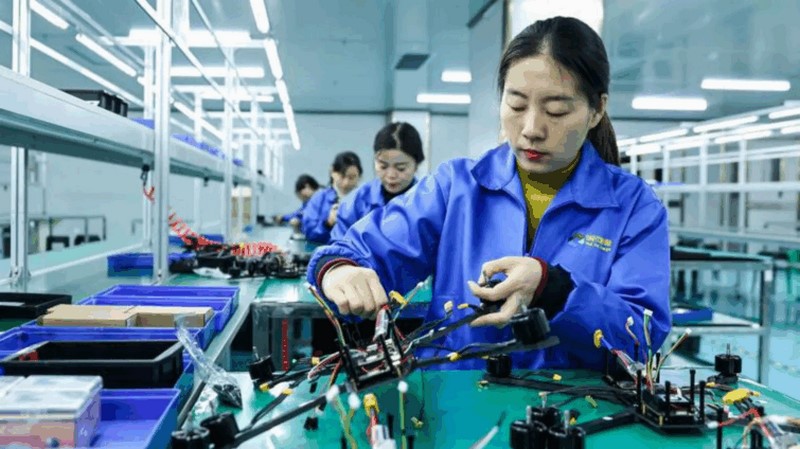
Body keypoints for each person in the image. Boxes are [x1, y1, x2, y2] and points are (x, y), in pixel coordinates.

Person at [306, 17, 671, 371]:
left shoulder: (633, 207)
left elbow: (644, 335)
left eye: (556, 111)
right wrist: (338, 271)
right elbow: (358, 251)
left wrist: (554, 289)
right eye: (516, 105)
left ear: (596, 110)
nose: (531, 129)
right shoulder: (456, 187)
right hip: (455, 400)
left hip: (574, 406)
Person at [330, 122, 425, 241]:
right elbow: (339, 245)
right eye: (383, 166)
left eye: (401, 168)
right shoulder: (356, 203)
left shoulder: (427, 203)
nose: (391, 175)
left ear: (417, 165)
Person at [301, 151, 363, 244]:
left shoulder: (366, 200)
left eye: (352, 177)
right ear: (333, 172)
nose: (346, 182)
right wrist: (328, 223)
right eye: (342, 176)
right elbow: (309, 233)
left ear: (359, 176)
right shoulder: (319, 199)